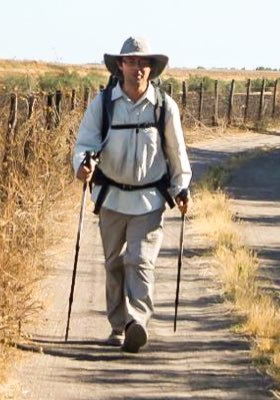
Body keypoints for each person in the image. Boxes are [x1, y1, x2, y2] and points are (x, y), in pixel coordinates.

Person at [72, 37, 192, 353]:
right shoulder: (104, 103)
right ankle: (117, 325)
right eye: (131, 62)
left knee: (139, 261)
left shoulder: (165, 107)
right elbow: (84, 144)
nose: (137, 68)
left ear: (151, 69)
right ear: (120, 66)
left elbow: (176, 151)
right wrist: (82, 166)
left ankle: (136, 322)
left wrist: (182, 186)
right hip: (111, 197)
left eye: (143, 63)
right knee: (114, 263)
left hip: (149, 200)